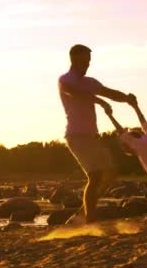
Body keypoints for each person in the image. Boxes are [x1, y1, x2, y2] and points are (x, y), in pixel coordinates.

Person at [58, 44, 137, 224]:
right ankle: (90, 221)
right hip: (76, 136)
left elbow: (109, 93)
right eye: (84, 61)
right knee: (95, 176)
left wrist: (127, 98)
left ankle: (84, 212)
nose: (87, 65)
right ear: (74, 59)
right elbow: (75, 94)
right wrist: (98, 101)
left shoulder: (90, 82)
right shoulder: (65, 80)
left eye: (89, 62)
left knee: (109, 174)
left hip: (92, 136)